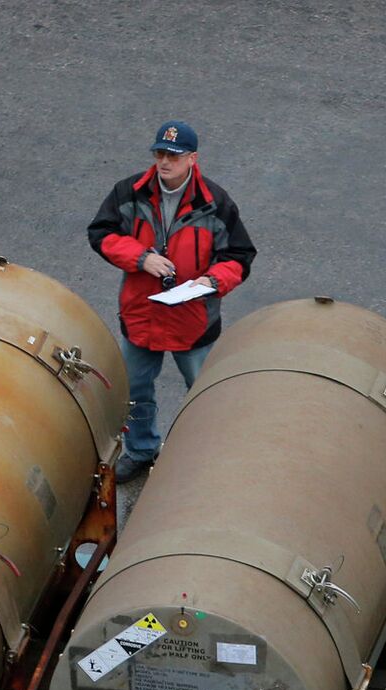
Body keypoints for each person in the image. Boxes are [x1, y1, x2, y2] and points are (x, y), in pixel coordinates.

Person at [87, 121, 256, 482]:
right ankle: (142, 451)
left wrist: (211, 281)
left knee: (206, 397)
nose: (164, 162)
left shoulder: (216, 204)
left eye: (174, 156)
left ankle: (208, 459)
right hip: (142, 317)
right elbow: (102, 233)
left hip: (193, 321)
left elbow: (239, 257)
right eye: (160, 154)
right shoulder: (129, 193)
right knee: (134, 394)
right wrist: (140, 258)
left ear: (192, 159)